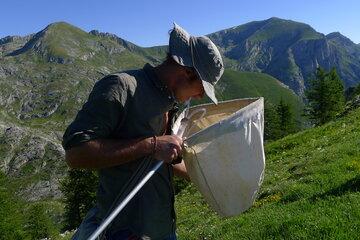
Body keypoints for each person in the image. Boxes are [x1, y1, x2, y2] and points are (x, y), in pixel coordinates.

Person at [62, 23, 224, 240]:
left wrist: (212, 178)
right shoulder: (121, 87)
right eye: (202, 88)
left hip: (162, 228)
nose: (200, 96)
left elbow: (162, 159)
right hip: (123, 231)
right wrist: (152, 145)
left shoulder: (170, 102)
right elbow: (76, 154)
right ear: (186, 72)